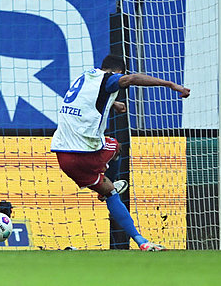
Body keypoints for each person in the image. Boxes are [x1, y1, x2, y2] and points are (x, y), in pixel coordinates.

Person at [50, 54, 190, 251]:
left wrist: (112, 103)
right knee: (116, 146)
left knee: (110, 193)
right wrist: (170, 84)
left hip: (62, 155)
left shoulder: (84, 77)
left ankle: (142, 241)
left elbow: (84, 100)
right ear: (118, 72)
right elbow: (131, 79)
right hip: (85, 153)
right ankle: (111, 178)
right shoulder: (110, 79)